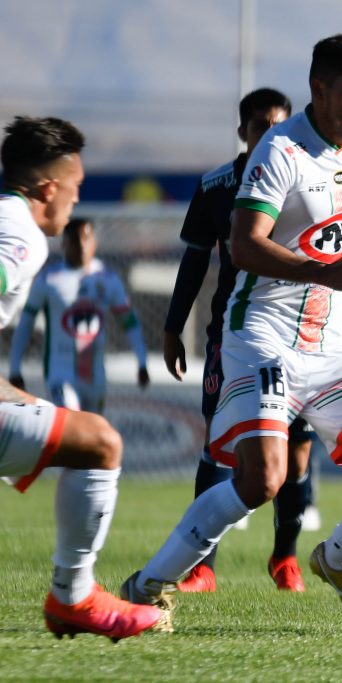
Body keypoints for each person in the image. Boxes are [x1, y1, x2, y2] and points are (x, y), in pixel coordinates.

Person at [120, 33, 342, 631]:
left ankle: (339, 559)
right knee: (263, 478)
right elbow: (243, 246)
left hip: (333, 342)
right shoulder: (280, 151)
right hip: (261, 334)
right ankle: (150, 583)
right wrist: (328, 271)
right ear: (318, 89)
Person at [0, 116, 163, 640]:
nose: (76, 203)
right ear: (49, 189)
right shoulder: (21, 236)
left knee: (85, 432)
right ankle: (73, 597)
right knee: (99, 442)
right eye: (75, 190)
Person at [162, 88, 320, 594]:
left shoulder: (305, 176)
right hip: (233, 334)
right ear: (242, 132)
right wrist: (171, 326)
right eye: (259, 128)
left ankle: (284, 558)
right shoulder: (216, 186)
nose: (268, 136)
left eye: (277, 127)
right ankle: (203, 567)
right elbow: (193, 263)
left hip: (297, 334)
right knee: (217, 441)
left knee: (296, 455)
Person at [9, 217, 150, 412]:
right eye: (75, 239)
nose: (82, 245)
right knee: (70, 422)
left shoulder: (107, 278)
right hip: (60, 373)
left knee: (90, 436)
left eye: (87, 238)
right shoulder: (48, 279)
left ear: (95, 242)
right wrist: (15, 367)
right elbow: (25, 324)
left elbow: (128, 321)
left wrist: (142, 360)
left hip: (95, 376)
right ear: (64, 243)